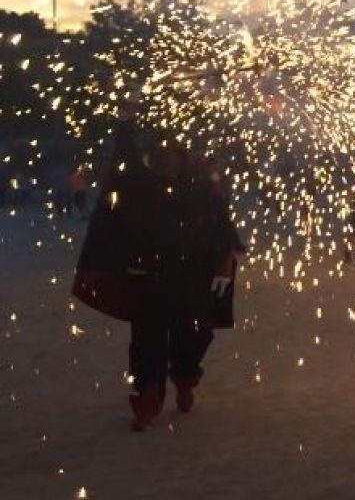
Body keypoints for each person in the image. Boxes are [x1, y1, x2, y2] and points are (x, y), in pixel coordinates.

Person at [72, 97, 242, 431]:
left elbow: (222, 227)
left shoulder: (199, 190)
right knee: (148, 342)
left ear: (182, 161)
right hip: (151, 280)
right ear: (154, 161)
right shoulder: (141, 186)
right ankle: (147, 398)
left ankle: (185, 377)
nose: (167, 165)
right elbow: (124, 159)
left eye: (173, 159)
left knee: (194, 336)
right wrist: (125, 121)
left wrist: (225, 262)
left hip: (192, 281)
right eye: (161, 159)